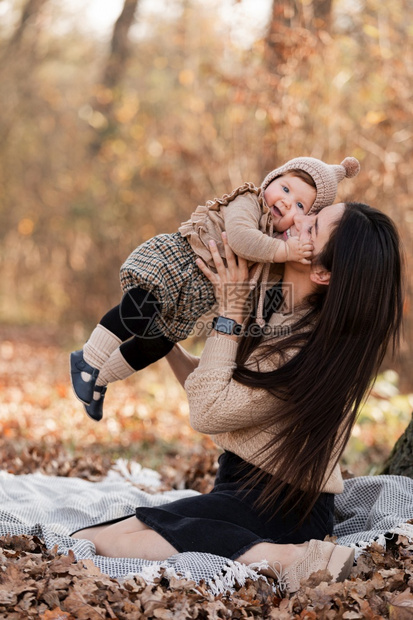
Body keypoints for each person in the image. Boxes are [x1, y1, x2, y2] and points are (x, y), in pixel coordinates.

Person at [72, 201, 404, 594]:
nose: (298, 219)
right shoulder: (281, 311)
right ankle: (275, 552)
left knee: (95, 540)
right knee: (100, 535)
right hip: (249, 493)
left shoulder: (302, 351)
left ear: (322, 271)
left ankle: (290, 558)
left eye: (312, 228)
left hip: (278, 509)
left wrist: (231, 313)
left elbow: (208, 411)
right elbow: (217, 390)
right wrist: (166, 338)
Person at [70, 156, 360, 421]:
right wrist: (285, 251)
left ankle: (99, 378)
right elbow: (240, 238)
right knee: (140, 309)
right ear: (271, 179)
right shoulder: (249, 201)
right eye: (285, 189)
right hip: (178, 263)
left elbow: (256, 287)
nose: (287, 203)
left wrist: (246, 313)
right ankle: (88, 358)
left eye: (300, 206)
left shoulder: (275, 248)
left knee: (157, 344)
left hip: (195, 295)